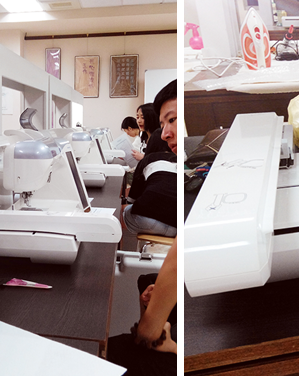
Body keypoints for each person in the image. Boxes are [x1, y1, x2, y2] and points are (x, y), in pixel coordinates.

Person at [107, 81, 178, 376]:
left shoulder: (149, 159)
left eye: (172, 120)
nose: (167, 132)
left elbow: (134, 198)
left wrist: (151, 333)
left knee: (123, 214)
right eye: (163, 124)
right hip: (172, 226)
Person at [123, 81, 177, 237]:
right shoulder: (144, 138)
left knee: (126, 211)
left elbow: (133, 200)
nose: (139, 120)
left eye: (172, 119)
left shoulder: (152, 151)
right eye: (137, 117)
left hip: (164, 223)